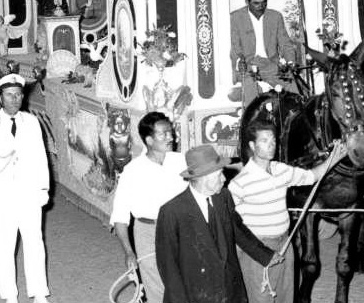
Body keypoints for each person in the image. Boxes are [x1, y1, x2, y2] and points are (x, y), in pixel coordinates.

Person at [229, 120, 346, 303]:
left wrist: (334, 158)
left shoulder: (281, 170)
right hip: (257, 248)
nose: (271, 145)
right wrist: (257, 251)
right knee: (261, 298)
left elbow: (312, 176)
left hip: (285, 244)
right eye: (264, 140)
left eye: (273, 140)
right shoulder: (240, 183)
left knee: (286, 297)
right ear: (252, 145)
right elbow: (230, 222)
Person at [155, 144, 282, 303]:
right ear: (202, 178)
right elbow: (168, 266)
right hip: (196, 294)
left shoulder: (223, 197)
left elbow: (238, 231)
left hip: (228, 289)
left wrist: (265, 255)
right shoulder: (172, 211)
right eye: (219, 174)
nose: (224, 179)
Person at [0, 74, 51, 303]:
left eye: (18, 95)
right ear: (0, 97)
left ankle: (39, 291)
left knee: (35, 243)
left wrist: (43, 189)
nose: (14, 99)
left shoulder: (31, 122)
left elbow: (41, 157)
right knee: (3, 246)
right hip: (2, 195)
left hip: (29, 193)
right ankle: (10, 295)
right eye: (9, 95)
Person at [110, 112, 187, 303]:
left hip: (181, 229)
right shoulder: (132, 171)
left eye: (170, 132)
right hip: (148, 232)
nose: (170, 137)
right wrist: (129, 252)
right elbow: (120, 217)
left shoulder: (182, 161)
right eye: (164, 134)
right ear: (150, 140)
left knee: (186, 282)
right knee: (156, 288)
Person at [230, 0, 296, 105]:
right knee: (252, 97)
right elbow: (234, 46)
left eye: (264, 2)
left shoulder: (275, 16)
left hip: (272, 64)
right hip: (249, 66)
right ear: (247, 2)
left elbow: (285, 44)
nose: (261, 6)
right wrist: (239, 62)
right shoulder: (236, 17)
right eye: (256, 3)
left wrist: (290, 62)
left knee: (293, 91)